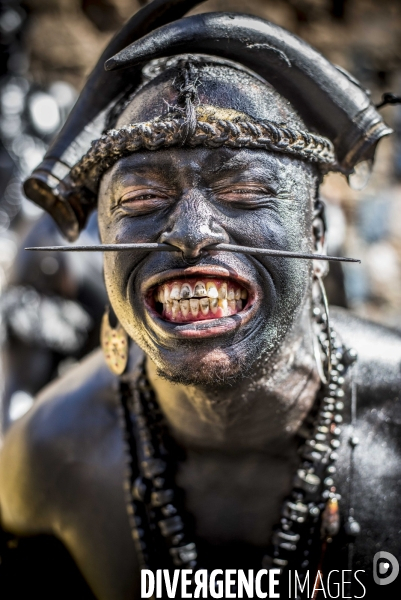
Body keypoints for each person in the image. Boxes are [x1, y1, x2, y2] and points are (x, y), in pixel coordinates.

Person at [0, 1, 400, 599]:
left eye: (242, 191)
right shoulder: (55, 452)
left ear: (316, 237)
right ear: (105, 245)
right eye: (139, 203)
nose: (189, 232)